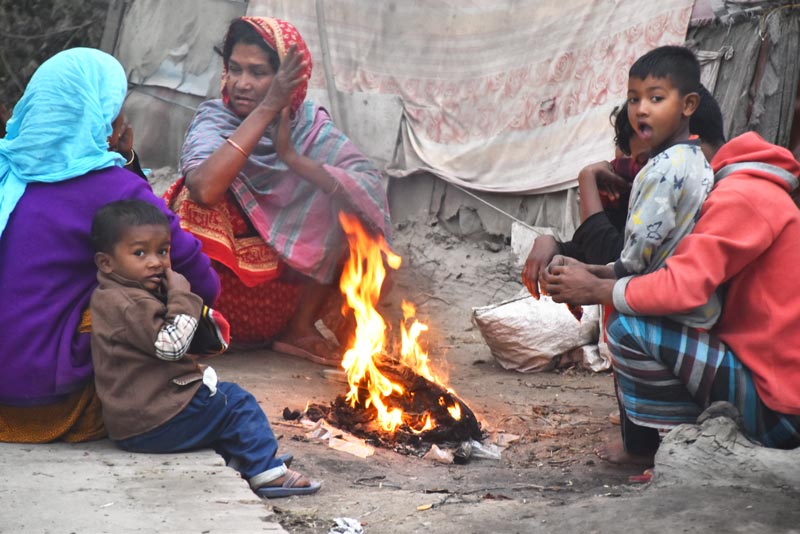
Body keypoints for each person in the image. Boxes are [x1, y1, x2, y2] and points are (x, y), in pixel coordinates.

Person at [0, 48, 220, 443]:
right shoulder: (111, 187)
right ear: (105, 121)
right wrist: (129, 171)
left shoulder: (8, 169)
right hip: (46, 399)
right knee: (142, 279)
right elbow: (201, 278)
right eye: (117, 107)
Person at [541, 129, 800, 465]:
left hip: (781, 412)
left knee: (627, 327)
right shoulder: (739, 188)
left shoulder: (742, 195)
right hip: (777, 393)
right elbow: (655, 270)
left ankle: (674, 453)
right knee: (631, 304)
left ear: (692, 148)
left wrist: (597, 288)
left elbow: (682, 289)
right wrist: (594, 274)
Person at [164, 16, 392, 365]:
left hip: (286, 294)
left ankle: (299, 329)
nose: (241, 83)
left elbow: (367, 185)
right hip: (223, 296)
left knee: (350, 205)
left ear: (290, 83)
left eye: (257, 73)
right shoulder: (214, 119)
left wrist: (291, 157)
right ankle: (200, 325)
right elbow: (204, 188)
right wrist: (268, 106)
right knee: (190, 202)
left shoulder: (309, 125)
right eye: (235, 69)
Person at [89, 199, 319, 498]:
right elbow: (171, 346)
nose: (156, 261)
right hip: (154, 420)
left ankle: (246, 457)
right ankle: (266, 471)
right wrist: (182, 295)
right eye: (139, 253)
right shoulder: (129, 303)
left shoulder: (120, 293)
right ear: (106, 262)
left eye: (162, 251)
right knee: (235, 402)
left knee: (216, 403)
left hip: (140, 421)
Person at [523, 84, 725, 300]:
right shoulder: (656, 185)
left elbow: (616, 260)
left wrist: (587, 178)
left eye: (646, 160)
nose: (642, 171)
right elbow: (610, 258)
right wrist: (556, 246)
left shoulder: (723, 196)